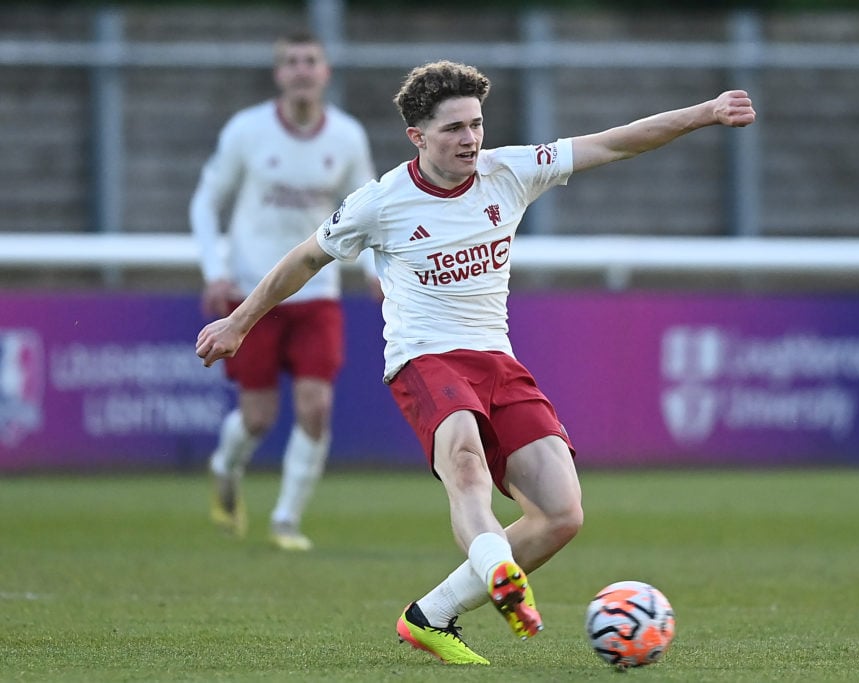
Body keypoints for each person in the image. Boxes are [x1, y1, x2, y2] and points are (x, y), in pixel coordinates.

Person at [196, 60, 755, 662]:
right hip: (424, 359)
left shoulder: (509, 171)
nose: (470, 139)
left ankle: (431, 615)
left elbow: (616, 143)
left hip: (498, 360)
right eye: (454, 129)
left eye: (476, 124)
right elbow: (304, 261)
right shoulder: (380, 202)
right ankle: (497, 569)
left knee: (562, 514)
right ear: (418, 137)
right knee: (464, 459)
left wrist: (705, 113)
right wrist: (238, 321)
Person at [189, 29, 377, 552]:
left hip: (318, 293)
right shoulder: (247, 131)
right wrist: (214, 270)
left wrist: (375, 271)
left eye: (309, 61)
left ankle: (286, 520)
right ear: (279, 73)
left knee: (316, 408)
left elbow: (372, 208)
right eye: (291, 61)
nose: (300, 69)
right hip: (252, 293)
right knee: (258, 417)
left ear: (325, 72)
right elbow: (206, 202)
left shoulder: (346, 137)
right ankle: (225, 465)